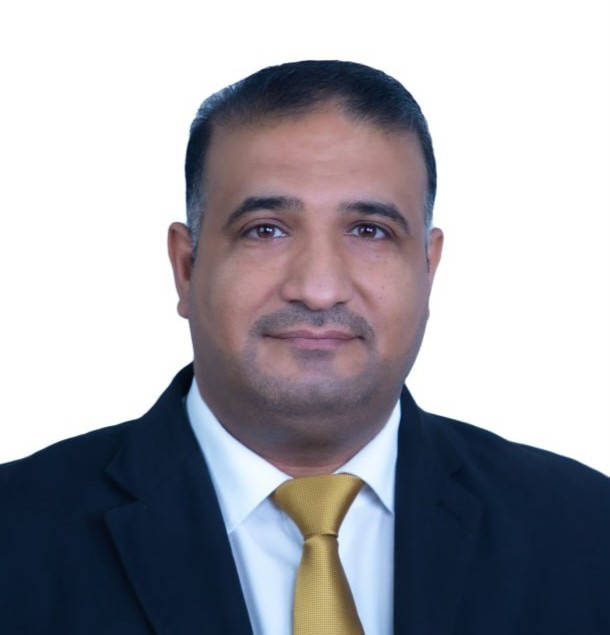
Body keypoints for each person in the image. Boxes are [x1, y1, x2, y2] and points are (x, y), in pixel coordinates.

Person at [1, 60, 609, 635]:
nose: (318, 288)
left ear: (429, 269)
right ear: (186, 268)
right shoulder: (16, 536)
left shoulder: (586, 530)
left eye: (369, 231)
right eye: (265, 230)